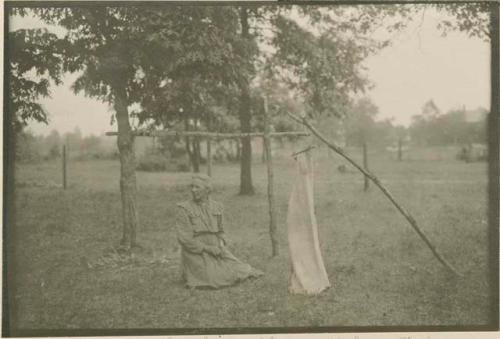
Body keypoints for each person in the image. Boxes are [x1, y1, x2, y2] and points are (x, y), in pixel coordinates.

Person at [175, 173, 263, 289]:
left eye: (197, 187)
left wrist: (222, 243)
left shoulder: (217, 207)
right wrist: (208, 248)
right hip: (196, 252)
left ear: (207, 190)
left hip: (217, 248)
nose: (193, 190)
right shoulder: (184, 209)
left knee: (240, 268)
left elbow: (221, 230)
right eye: (192, 187)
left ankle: (229, 269)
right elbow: (185, 239)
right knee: (214, 278)